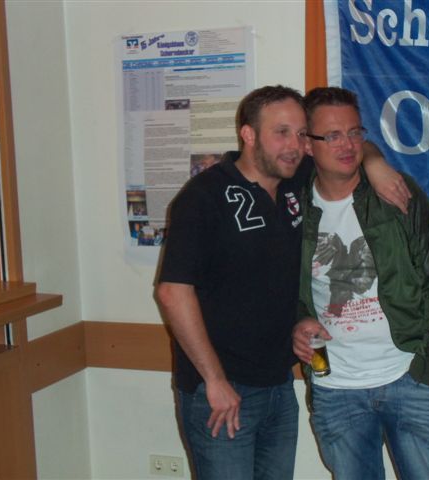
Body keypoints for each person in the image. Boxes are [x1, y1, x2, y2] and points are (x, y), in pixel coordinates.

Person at [154, 85, 410, 480]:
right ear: (248, 134)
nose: (295, 145)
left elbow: (353, 147)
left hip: (278, 385)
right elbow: (172, 292)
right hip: (221, 392)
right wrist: (214, 380)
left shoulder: (295, 180)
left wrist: (376, 165)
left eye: (301, 133)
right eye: (281, 132)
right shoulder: (203, 197)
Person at [293, 86, 429, 480]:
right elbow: (281, 287)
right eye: (332, 135)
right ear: (307, 144)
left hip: (408, 377)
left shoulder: (395, 193)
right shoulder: (293, 206)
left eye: (355, 132)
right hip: (334, 388)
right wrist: (296, 320)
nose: (348, 144)